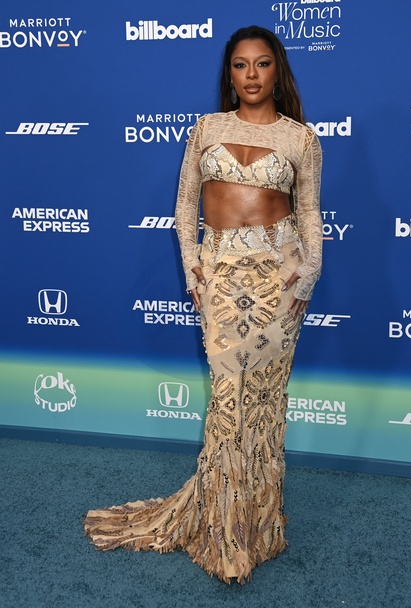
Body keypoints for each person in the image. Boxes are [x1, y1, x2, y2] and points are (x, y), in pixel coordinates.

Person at [84, 25, 322, 585]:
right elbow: (185, 201)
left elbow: (310, 212)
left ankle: (257, 527)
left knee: (262, 404)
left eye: (262, 63)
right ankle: (222, 529)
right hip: (220, 272)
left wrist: (308, 275)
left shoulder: (301, 139)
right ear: (229, 74)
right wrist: (193, 263)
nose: (251, 75)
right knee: (227, 400)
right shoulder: (206, 128)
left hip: (279, 276)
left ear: (278, 71)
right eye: (240, 65)